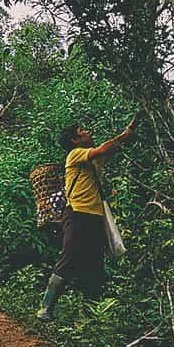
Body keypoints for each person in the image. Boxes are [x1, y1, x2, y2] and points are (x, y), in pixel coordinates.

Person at [37, 114, 137, 321]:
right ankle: (46, 308)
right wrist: (123, 136)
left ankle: (89, 317)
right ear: (74, 140)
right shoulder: (75, 154)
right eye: (82, 131)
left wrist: (128, 135)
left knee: (94, 264)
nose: (88, 132)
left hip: (95, 217)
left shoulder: (91, 158)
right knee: (70, 257)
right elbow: (105, 148)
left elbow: (109, 149)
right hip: (77, 214)